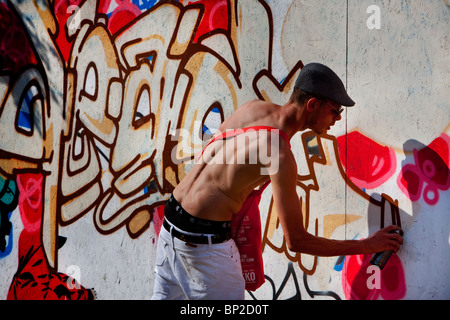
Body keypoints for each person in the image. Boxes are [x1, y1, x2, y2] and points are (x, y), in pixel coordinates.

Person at [151, 62, 403, 300]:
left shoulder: (252, 108)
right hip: (203, 249)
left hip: (171, 224)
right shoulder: (280, 155)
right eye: (335, 111)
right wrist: (368, 245)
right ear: (313, 104)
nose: (337, 119)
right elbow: (296, 240)